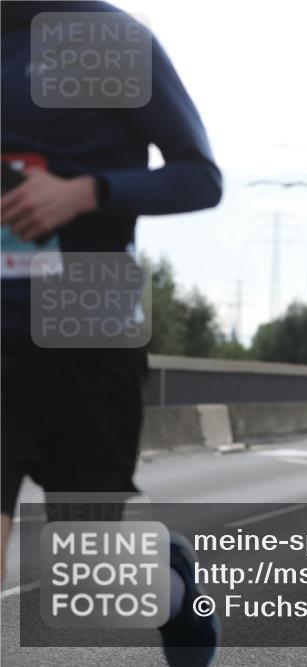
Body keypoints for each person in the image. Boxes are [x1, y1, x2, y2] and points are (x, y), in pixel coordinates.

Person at [1, 3, 222, 665]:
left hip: (87, 331)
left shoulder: (111, 39)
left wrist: (84, 193)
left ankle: (171, 584)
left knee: (89, 570)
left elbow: (200, 177)